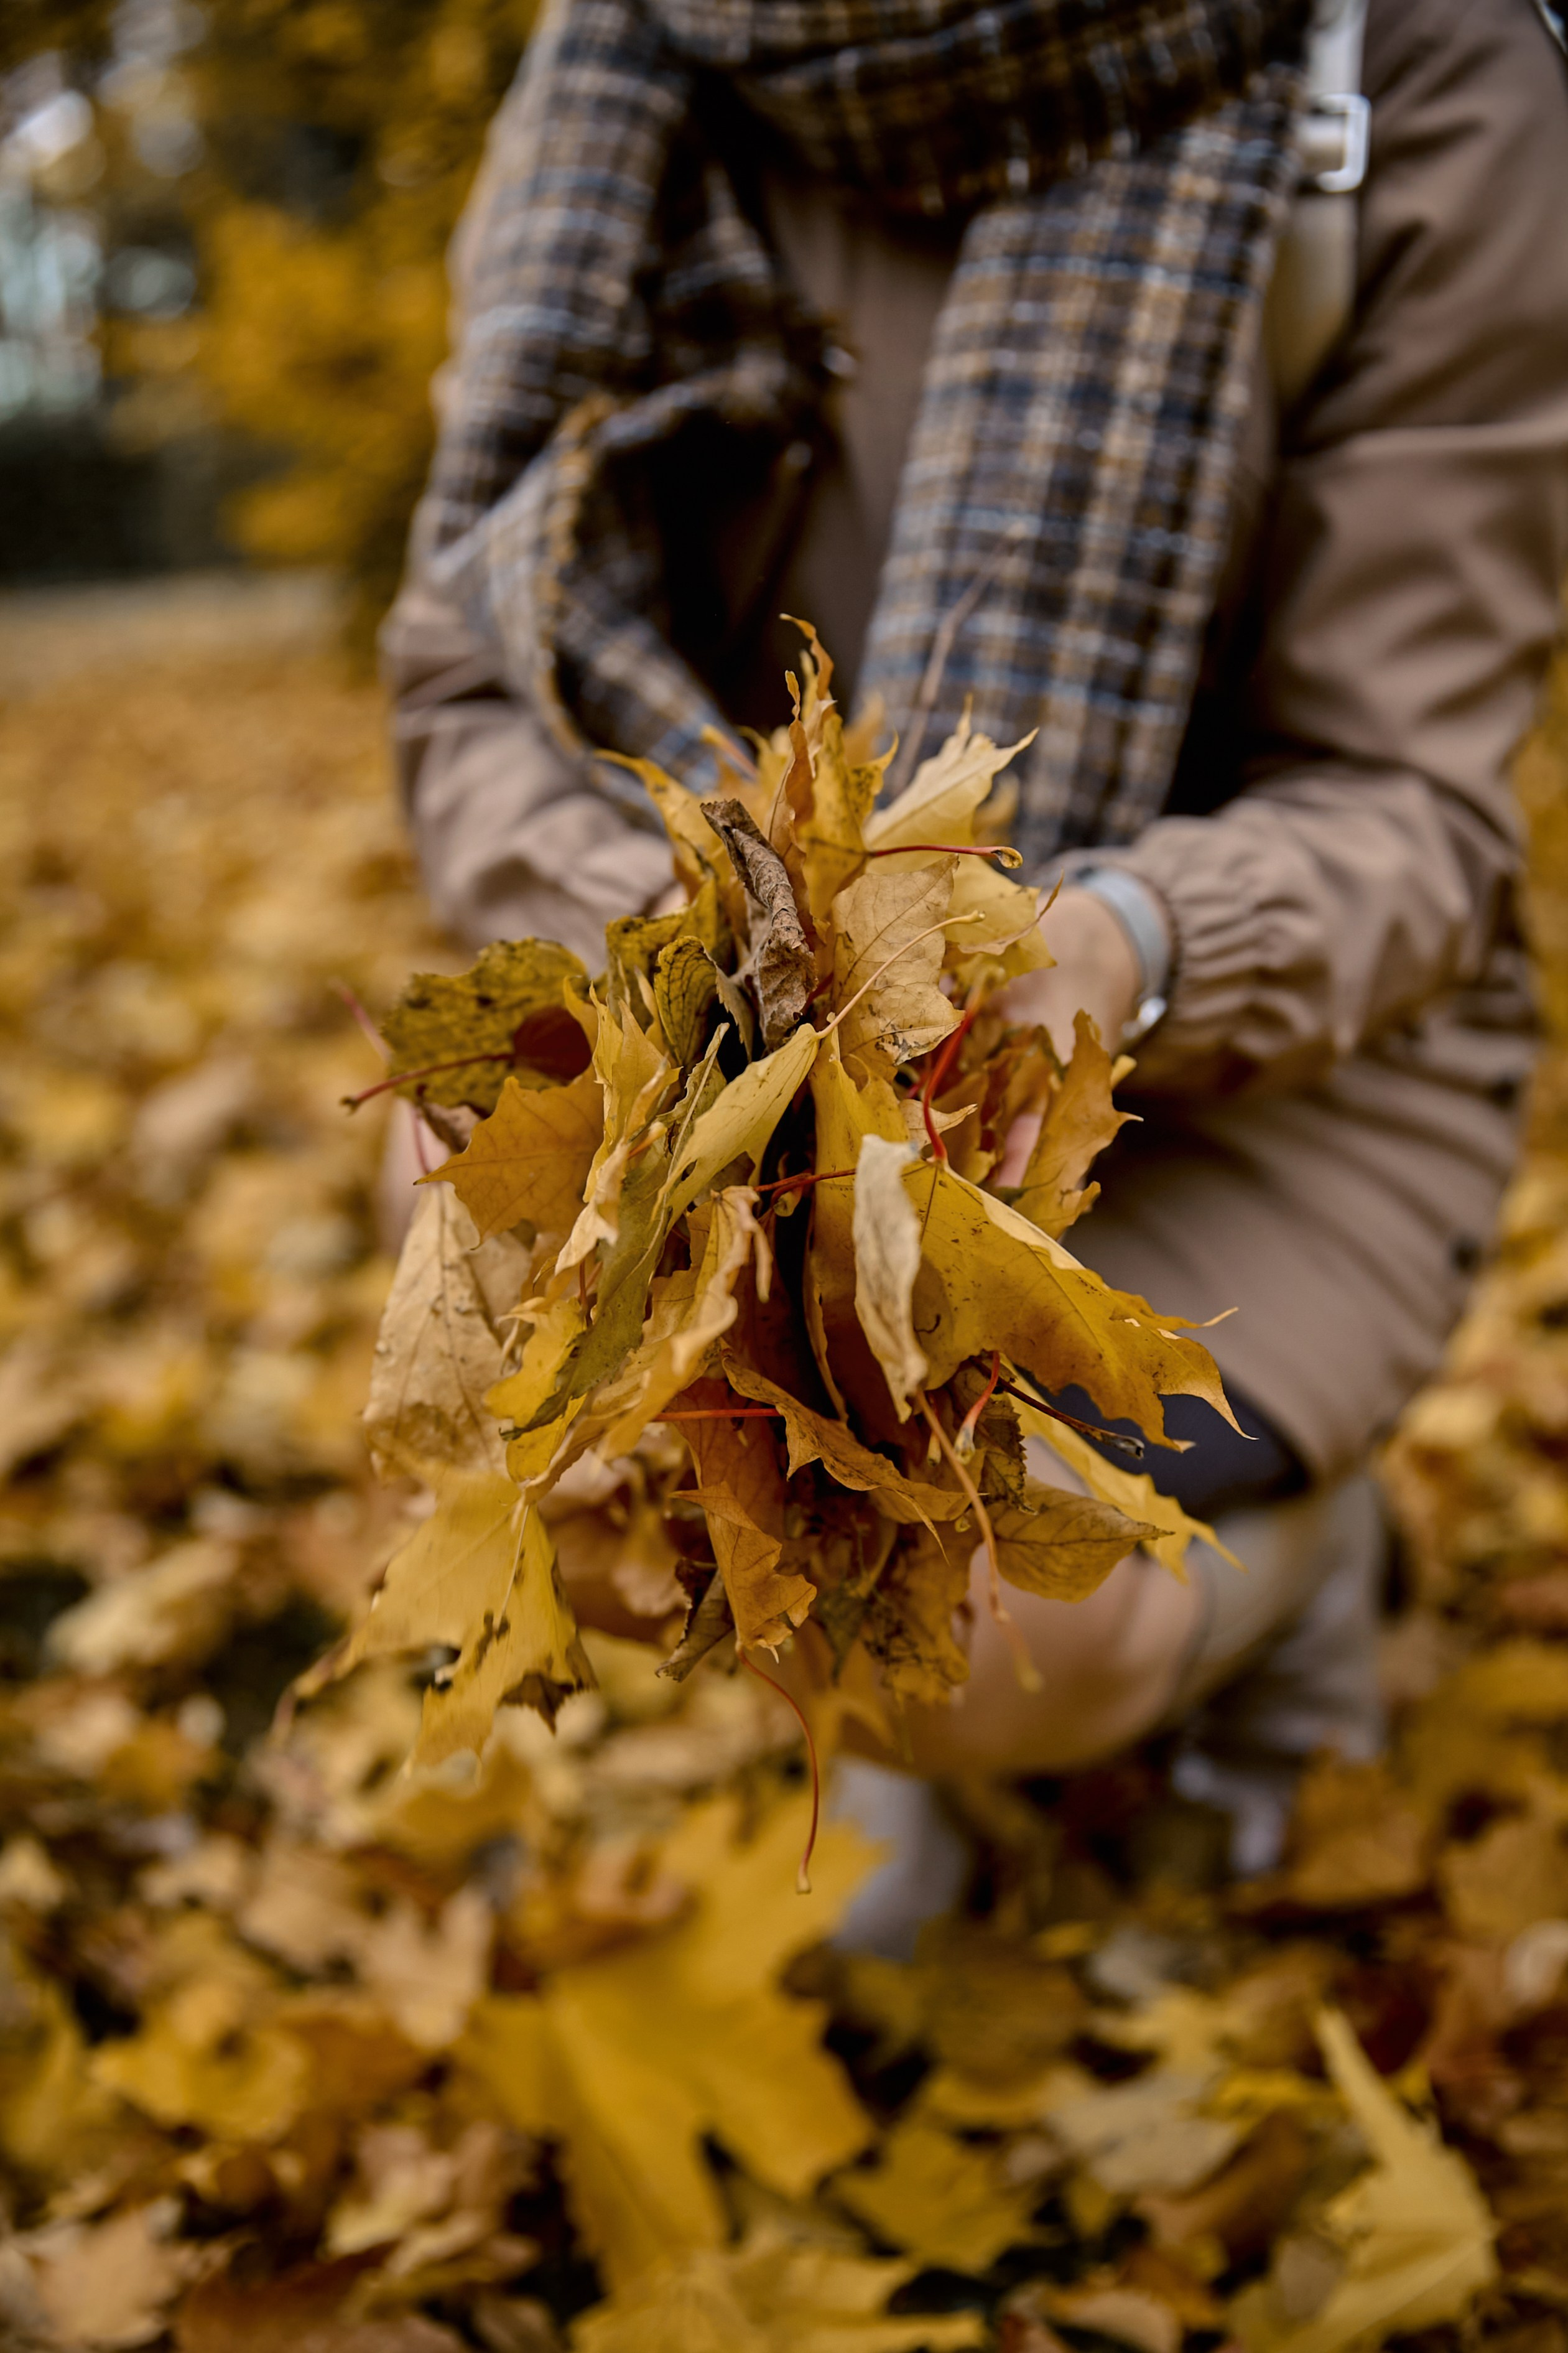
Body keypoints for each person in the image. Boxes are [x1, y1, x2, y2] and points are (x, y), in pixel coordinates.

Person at [382, 0, 1568, 1899]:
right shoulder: (626, 55)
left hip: (1245, 1045)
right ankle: (854, 1683)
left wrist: (1111, 949)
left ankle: (1295, 1578)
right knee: (515, 1322)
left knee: (997, 1628)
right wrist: (673, 983)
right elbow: (476, 680)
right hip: (727, 1007)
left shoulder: (1408, 61)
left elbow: (1405, 812)